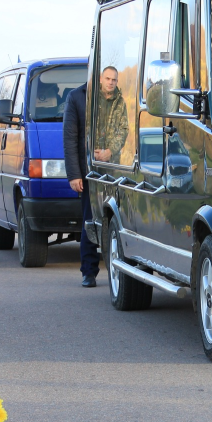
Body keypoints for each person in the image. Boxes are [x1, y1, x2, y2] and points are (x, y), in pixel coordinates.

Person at [63, 82, 100, 287]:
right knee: (89, 220)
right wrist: (74, 175)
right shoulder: (76, 96)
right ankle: (88, 271)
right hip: (89, 173)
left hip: (115, 169)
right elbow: (70, 138)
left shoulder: (119, 93)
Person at [93, 66, 128, 165]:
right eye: (107, 79)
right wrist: (90, 151)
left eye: (113, 80)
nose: (110, 82)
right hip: (90, 158)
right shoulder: (91, 99)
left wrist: (110, 151)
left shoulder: (120, 103)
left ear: (117, 82)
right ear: (101, 79)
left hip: (112, 162)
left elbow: (124, 129)